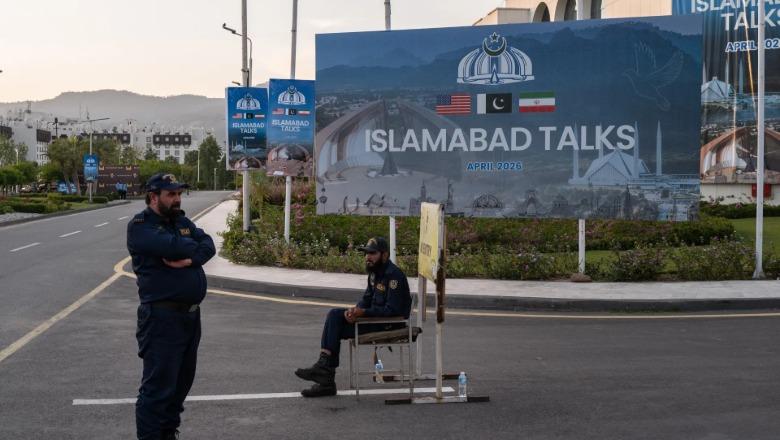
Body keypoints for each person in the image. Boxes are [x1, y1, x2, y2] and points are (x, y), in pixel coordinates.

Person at [126, 173, 216, 440]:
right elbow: (177, 245)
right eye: (171, 194)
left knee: (179, 387)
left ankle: (168, 434)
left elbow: (208, 244)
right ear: (154, 197)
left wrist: (190, 260)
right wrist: (190, 248)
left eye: (179, 193)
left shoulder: (181, 220)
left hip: (189, 319)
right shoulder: (140, 226)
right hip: (162, 319)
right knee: (158, 390)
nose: (177, 199)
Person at [294, 237, 412, 397]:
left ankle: (326, 378)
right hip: (372, 320)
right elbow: (366, 299)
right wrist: (354, 311)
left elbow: (392, 311)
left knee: (335, 323)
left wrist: (363, 314)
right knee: (335, 315)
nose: (368, 257)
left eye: (372, 253)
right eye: (366, 253)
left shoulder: (394, 276)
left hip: (388, 324)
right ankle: (324, 371)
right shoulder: (373, 274)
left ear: (384, 255)